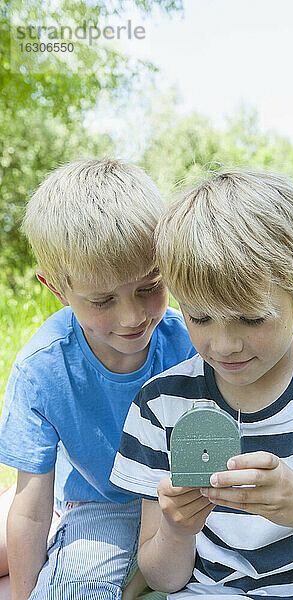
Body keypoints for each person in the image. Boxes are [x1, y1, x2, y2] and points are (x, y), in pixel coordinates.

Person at [110, 169, 293, 600]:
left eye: (250, 318)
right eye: (200, 318)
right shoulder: (162, 403)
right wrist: (176, 527)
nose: (224, 345)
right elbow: (163, 579)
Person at [0, 158, 195, 600]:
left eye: (149, 287)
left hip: (174, 499)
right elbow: (30, 509)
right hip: (96, 499)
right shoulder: (43, 367)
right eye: (102, 299)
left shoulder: (190, 343)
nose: (132, 317)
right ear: (56, 289)